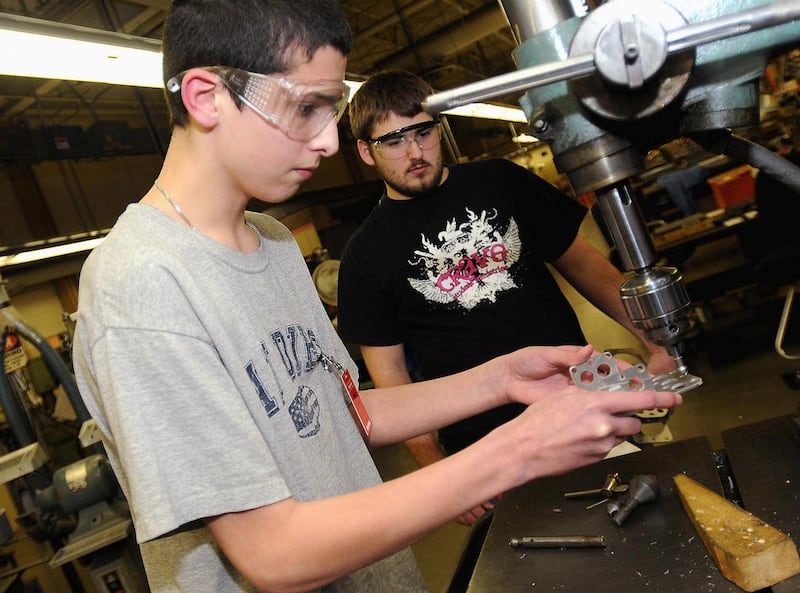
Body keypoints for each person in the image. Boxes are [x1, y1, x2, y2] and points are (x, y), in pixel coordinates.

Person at [71, 2, 682, 592]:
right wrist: (519, 448)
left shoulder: (273, 242)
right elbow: (274, 555)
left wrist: (502, 379)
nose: (330, 142)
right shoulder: (142, 285)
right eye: (306, 107)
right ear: (208, 97)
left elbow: (346, 414)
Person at [337, 69, 676, 526]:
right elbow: (393, 382)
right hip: (487, 451)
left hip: (582, 401)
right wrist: (438, 470)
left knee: (648, 531)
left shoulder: (499, 182)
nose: (415, 152)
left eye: (423, 132)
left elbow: (589, 270)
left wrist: (657, 341)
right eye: (394, 141)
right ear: (365, 151)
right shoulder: (364, 255)